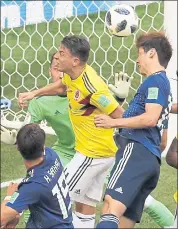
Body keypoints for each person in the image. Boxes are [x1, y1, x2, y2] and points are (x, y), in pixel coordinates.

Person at [18, 35, 124, 228]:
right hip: (96, 153)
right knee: (85, 209)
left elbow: (119, 114)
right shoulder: (72, 75)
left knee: (53, 195)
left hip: (93, 155)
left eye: (62, 53)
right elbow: (62, 85)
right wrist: (34, 93)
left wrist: (111, 121)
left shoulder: (93, 88)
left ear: (75, 60)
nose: (57, 56)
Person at [94, 32, 173, 228]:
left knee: (110, 208)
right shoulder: (165, 90)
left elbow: (149, 119)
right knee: (124, 223)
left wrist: (112, 123)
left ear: (152, 53)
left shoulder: (156, 81)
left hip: (136, 152)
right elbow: (163, 140)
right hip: (151, 160)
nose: (137, 60)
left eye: (139, 54)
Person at [0, 123, 74, 229]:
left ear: (18, 149)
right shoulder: (51, 155)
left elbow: (2, 219)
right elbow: (35, 145)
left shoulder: (33, 185)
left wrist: (9, 197)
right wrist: (17, 142)